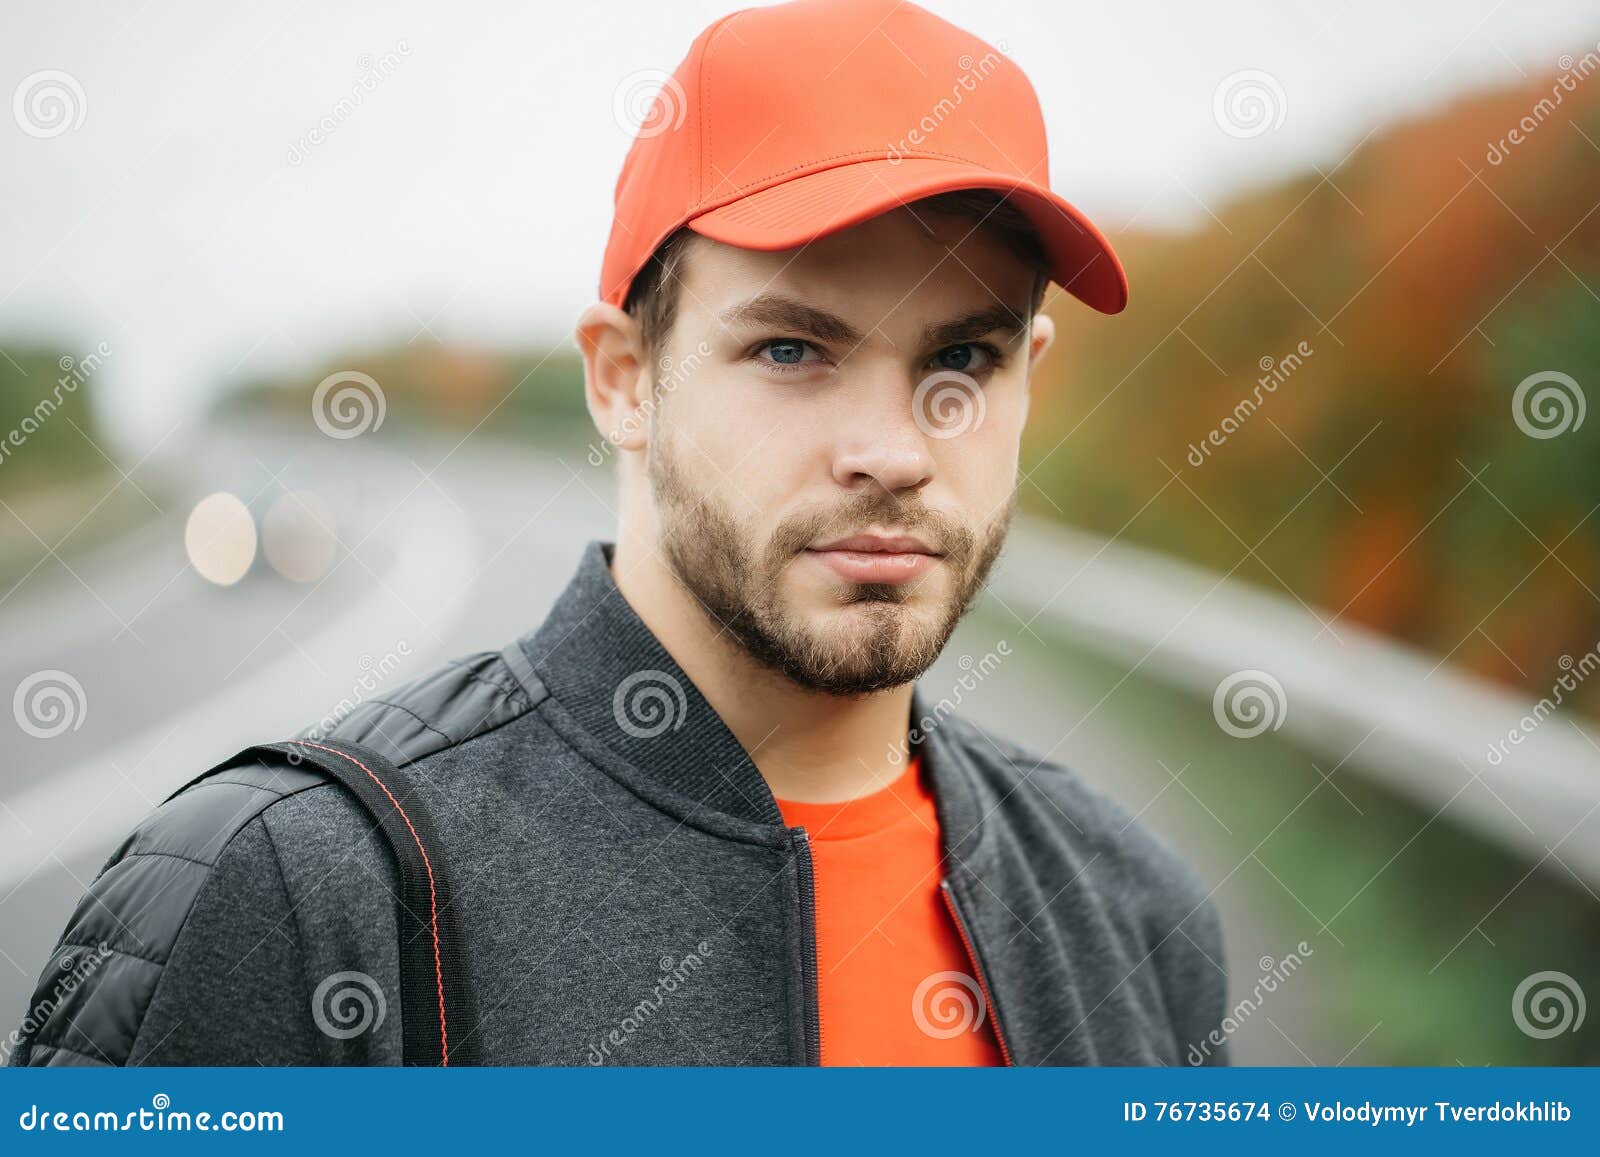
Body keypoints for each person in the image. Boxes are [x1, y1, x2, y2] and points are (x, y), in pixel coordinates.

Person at [10, 0, 1228, 1067]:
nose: (896, 449)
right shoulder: (303, 891)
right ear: (623, 377)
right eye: (793, 349)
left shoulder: (1130, 907)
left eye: (963, 357)